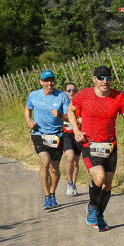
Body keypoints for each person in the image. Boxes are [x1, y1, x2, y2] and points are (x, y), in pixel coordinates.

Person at [68, 65, 124, 232]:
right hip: (89, 143)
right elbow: (71, 110)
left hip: (110, 145)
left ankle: (100, 216)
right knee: (99, 177)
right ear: (94, 79)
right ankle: (92, 207)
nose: (105, 81)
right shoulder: (83, 95)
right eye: (101, 77)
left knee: (107, 185)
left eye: (108, 78)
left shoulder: (118, 96)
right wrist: (76, 131)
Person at [25, 70, 70, 211]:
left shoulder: (62, 96)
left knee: (54, 168)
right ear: (41, 82)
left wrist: (61, 116)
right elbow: (28, 109)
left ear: (54, 81)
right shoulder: (33, 95)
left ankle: (52, 194)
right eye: (46, 81)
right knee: (44, 162)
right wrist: (28, 120)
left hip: (57, 135)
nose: (49, 83)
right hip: (39, 133)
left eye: (51, 80)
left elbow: (70, 117)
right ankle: (46, 196)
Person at [60, 82, 83, 197]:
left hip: (78, 134)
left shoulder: (79, 103)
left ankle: (74, 184)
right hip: (67, 134)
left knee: (76, 162)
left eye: (74, 91)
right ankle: (69, 183)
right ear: (65, 92)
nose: (72, 93)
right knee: (70, 157)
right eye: (69, 90)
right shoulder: (62, 103)